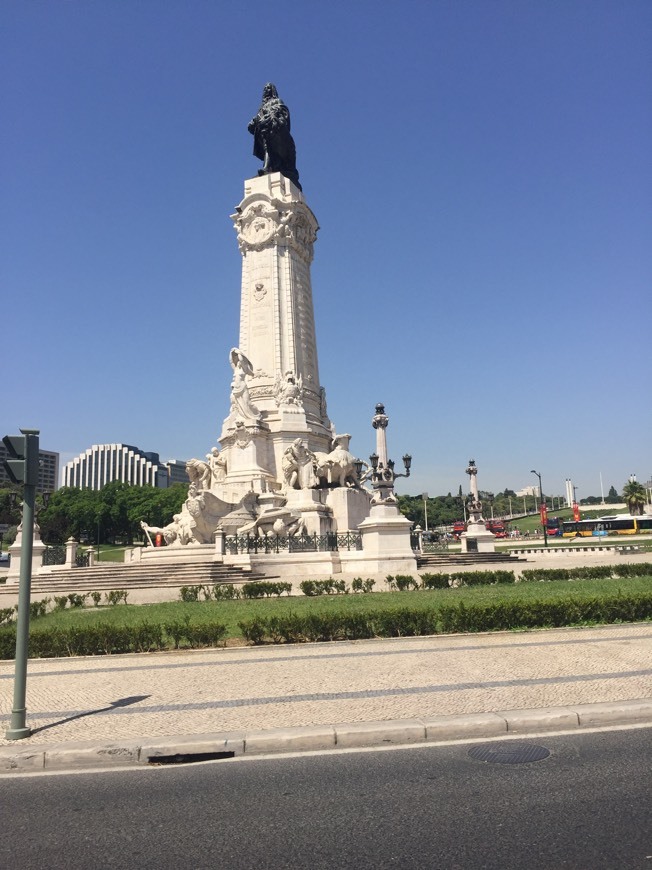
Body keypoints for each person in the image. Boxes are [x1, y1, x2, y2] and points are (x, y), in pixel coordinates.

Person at [248, 83, 301, 190]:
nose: (266, 90)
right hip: (264, 132)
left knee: (271, 147)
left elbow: (283, 112)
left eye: (268, 88)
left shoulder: (277, 101)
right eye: (265, 89)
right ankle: (266, 168)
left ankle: (267, 167)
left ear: (272, 91)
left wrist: (274, 115)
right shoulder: (261, 107)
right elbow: (256, 120)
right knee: (268, 148)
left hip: (275, 130)